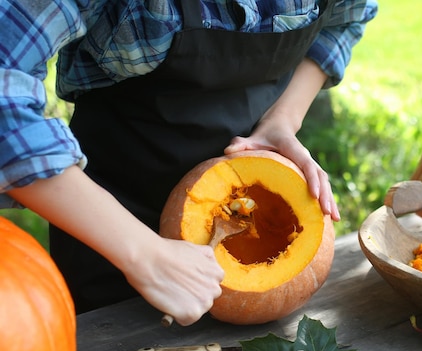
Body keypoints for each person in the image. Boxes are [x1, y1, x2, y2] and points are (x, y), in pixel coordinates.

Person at [0, 0, 377, 325]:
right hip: (110, 227)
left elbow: (347, 16)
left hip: (260, 183)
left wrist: (282, 119)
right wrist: (140, 251)